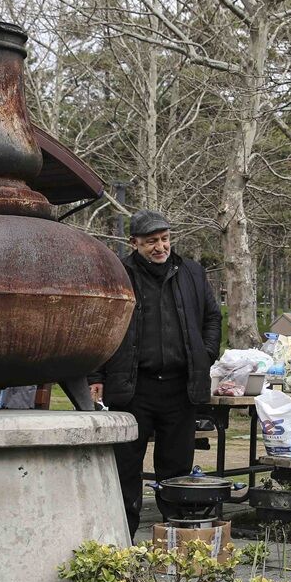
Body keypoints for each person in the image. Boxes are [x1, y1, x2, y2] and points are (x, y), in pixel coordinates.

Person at [89, 210, 222, 539]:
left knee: (176, 468)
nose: (160, 247)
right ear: (134, 243)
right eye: (151, 242)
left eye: (164, 239)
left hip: (180, 388)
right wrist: (97, 375)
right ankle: (122, 539)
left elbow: (212, 318)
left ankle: (176, 538)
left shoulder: (192, 272)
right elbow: (100, 322)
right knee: (125, 468)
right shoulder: (118, 273)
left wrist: (204, 355)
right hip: (133, 388)